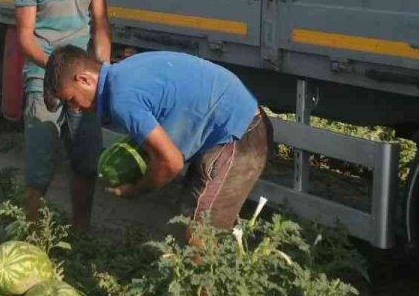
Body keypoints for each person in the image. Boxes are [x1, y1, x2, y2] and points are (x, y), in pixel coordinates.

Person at [43, 45, 272, 244]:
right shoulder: (123, 71)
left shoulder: (122, 99)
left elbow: (171, 162)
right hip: (226, 129)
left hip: (239, 134)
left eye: (72, 100)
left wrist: (138, 189)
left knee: (201, 237)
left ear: (84, 79)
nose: (75, 108)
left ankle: (212, 291)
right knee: (185, 223)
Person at [14, 0, 111, 233]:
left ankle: (81, 233)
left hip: (83, 81)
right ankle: (33, 235)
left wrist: (103, 70)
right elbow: (25, 37)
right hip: (44, 78)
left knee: (86, 162)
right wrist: (56, 70)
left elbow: (99, 24)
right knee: (40, 165)